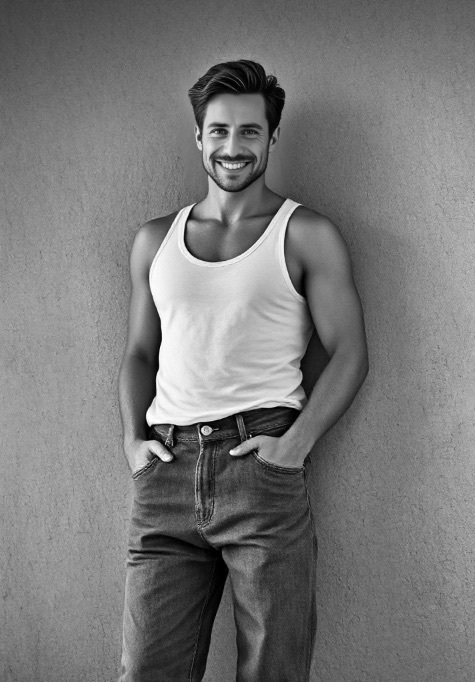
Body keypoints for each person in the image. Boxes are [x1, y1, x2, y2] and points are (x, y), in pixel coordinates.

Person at [118, 59, 369, 682]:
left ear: (272, 137)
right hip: (165, 472)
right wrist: (132, 440)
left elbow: (349, 352)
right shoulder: (155, 239)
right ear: (199, 136)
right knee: (146, 671)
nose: (233, 147)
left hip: (260, 467)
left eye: (250, 131)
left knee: (272, 673)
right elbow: (140, 353)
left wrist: (294, 446)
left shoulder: (306, 233)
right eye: (220, 131)